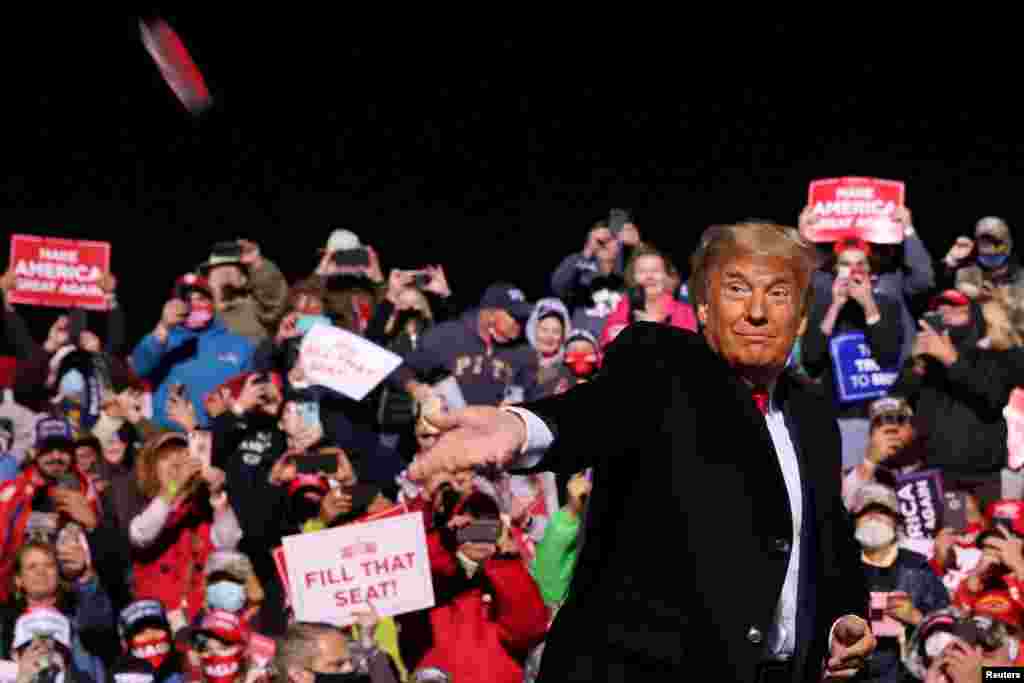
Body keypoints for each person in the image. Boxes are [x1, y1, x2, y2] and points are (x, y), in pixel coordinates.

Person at [406, 221, 875, 682]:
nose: (756, 311)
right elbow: (598, 409)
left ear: (801, 317)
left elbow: (828, 541)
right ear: (705, 309)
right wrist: (523, 426)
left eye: (777, 293)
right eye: (736, 290)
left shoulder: (813, 416)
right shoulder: (660, 363)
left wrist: (841, 620)